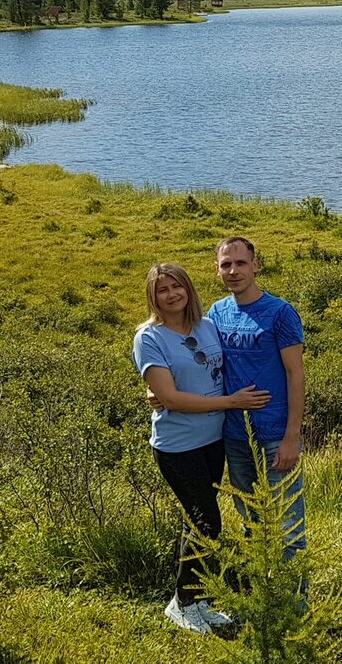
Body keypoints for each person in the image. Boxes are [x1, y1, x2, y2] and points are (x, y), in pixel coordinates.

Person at [133, 262, 271, 634]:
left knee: (195, 520)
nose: (171, 294)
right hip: (178, 446)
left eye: (177, 286)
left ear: (189, 289)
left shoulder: (207, 326)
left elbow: (224, 370)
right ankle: (183, 603)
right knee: (207, 521)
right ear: (153, 297)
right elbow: (172, 399)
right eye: (162, 289)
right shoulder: (148, 337)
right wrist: (229, 403)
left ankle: (198, 599)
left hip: (214, 441)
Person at [207, 236, 309, 562]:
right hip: (235, 436)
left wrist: (292, 437)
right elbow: (199, 360)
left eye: (240, 263)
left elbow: (296, 375)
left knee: (289, 524)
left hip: (276, 435)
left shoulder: (280, 313)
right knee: (251, 519)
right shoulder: (216, 312)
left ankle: (296, 607)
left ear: (256, 266)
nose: (233, 271)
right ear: (218, 270)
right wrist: (159, 392)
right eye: (226, 264)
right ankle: (261, 596)